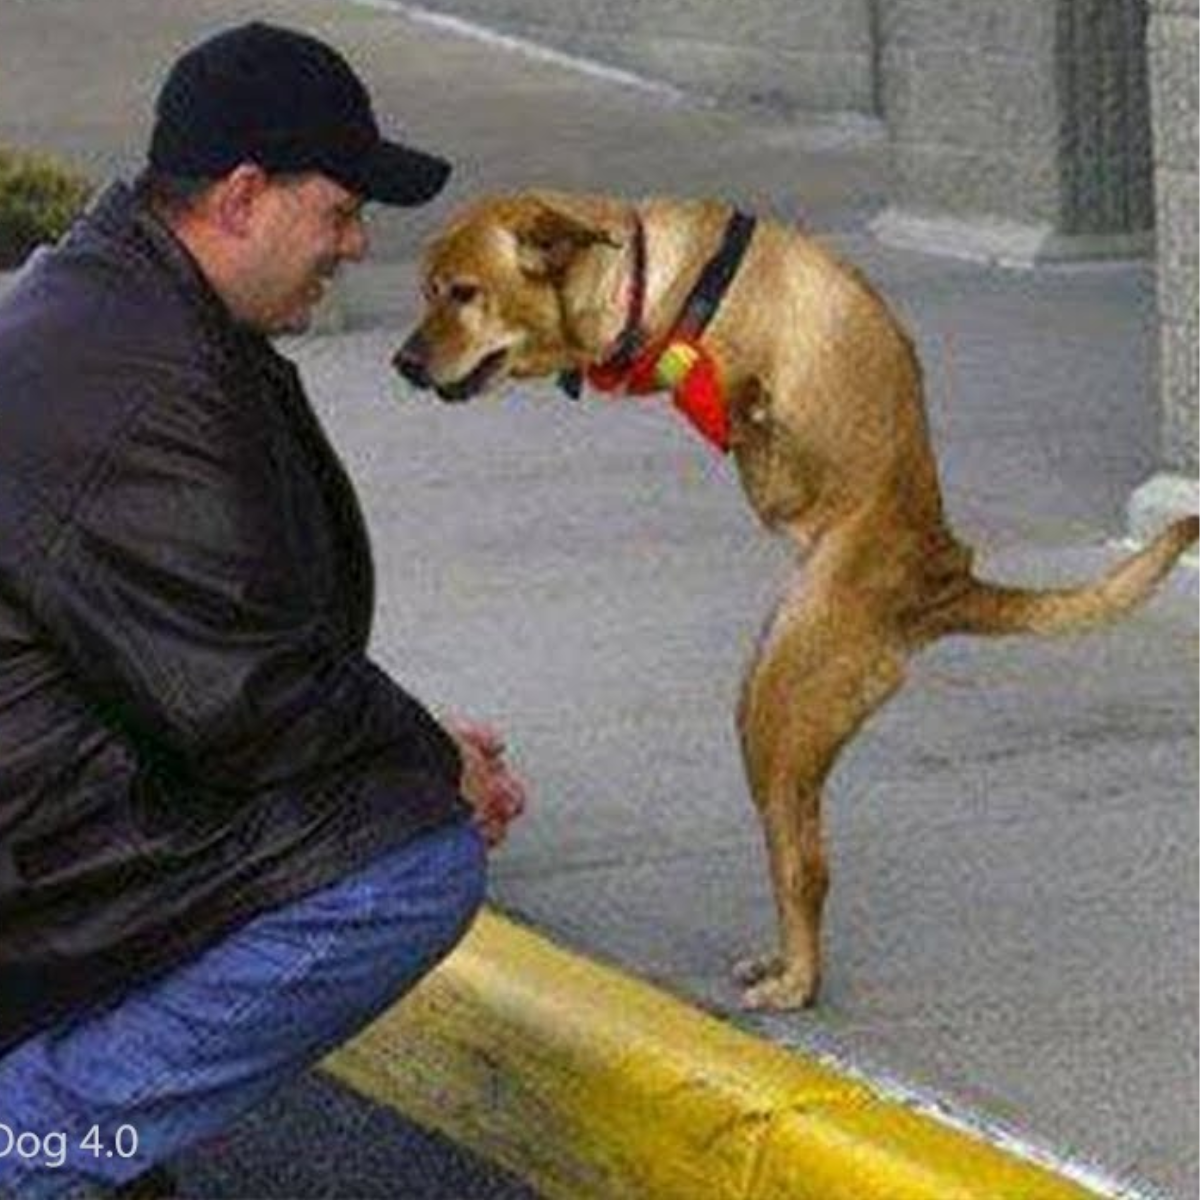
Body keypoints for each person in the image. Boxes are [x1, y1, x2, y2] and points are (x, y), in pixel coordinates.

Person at [0, 22, 526, 1199]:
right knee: (407, 862)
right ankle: (34, 1142)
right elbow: (248, 703)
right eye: (338, 210)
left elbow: (222, 648)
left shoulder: (116, 299)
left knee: (370, 793)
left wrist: (410, 735)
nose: (353, 243)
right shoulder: (144, 376)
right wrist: (431, 756)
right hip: (23, 849)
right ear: (243, 195)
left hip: (36, 808)